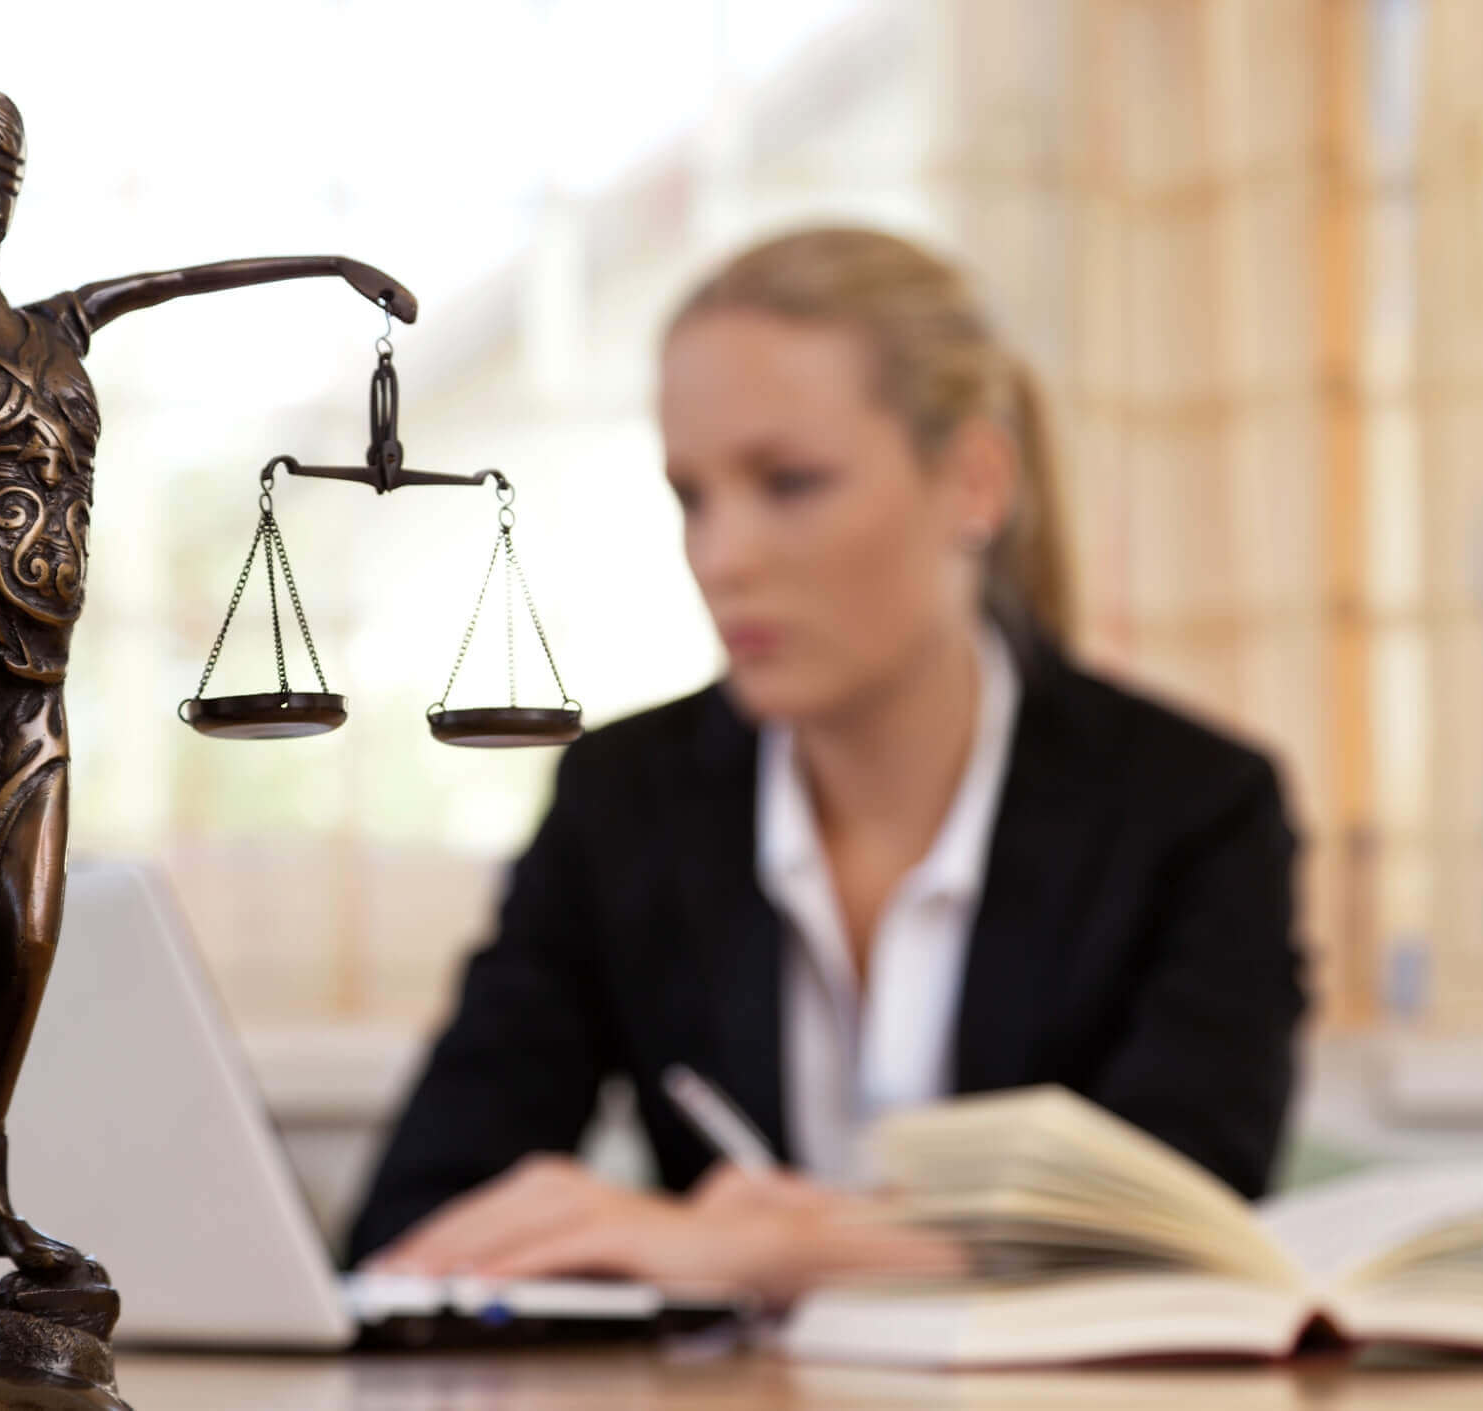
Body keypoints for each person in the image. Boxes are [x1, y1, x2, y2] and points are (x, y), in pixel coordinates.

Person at [345, 227, 1308, 1305]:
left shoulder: (1194, 810)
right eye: (691, 497)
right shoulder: (625, 803)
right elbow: (413, 1222)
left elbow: (1185, 1237)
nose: (720, 559)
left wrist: (765, 1250)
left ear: (974, 483)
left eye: (789, 482)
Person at [0, 75, 416, 1359]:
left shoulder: (60, 327)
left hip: (38, 667)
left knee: (23, 930)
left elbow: (174, 279)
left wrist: (332, 262)